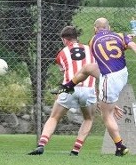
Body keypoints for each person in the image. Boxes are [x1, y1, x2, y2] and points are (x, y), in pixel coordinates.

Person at [56, 17, 136, 156]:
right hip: (122, 74)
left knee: (107, 115)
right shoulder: (120, 36)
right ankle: (69, 86)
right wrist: (127, 42)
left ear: (95, 29)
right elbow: (131, 46)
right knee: (88, 68)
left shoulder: (92, 41)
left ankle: (120, 146)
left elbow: (104, 55)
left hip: (109, 79)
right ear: (109, 27)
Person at [28, 26, 97, 156]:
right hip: (88, 88)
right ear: (77, 37)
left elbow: (64, 72)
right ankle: (75, 150)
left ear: (64, 40)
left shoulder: (61, 53)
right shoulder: (90, 50)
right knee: (88, 119)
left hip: (69, 88)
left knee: (54, 117)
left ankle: (41, 144)